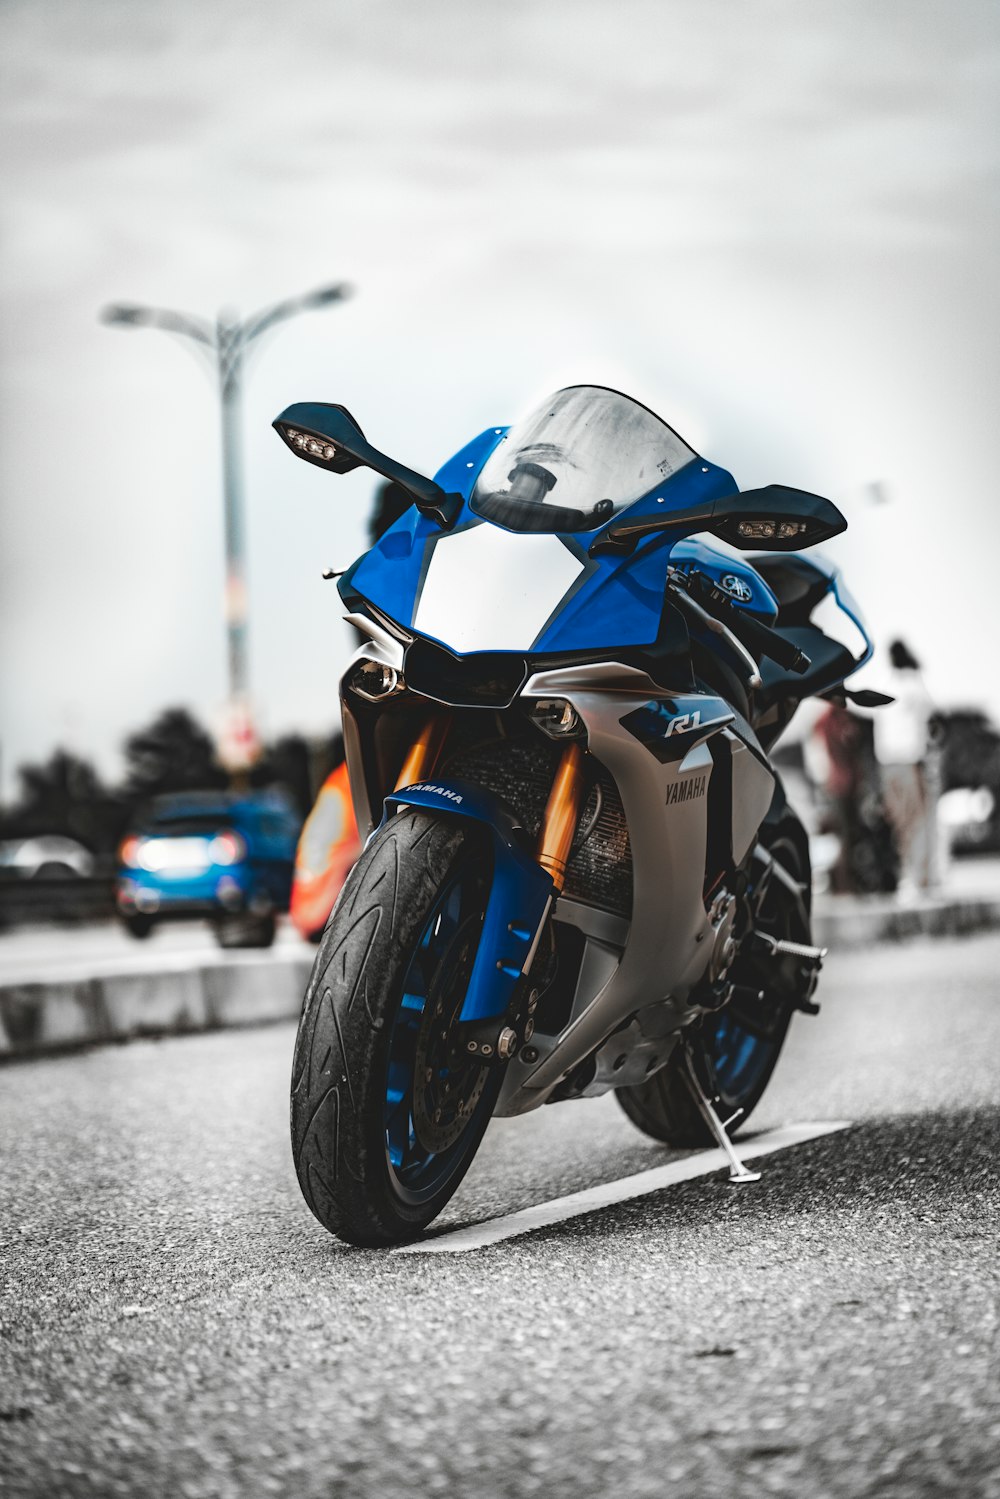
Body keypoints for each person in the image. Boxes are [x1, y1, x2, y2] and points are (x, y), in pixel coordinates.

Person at [874, 639, 942, 895]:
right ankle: (916, 877)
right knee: (914, 819)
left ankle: (907, 876)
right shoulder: (915, 683)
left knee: (899, 820)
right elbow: (932, 715)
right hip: (910, 759)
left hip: (887, 760)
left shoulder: (886, 682)